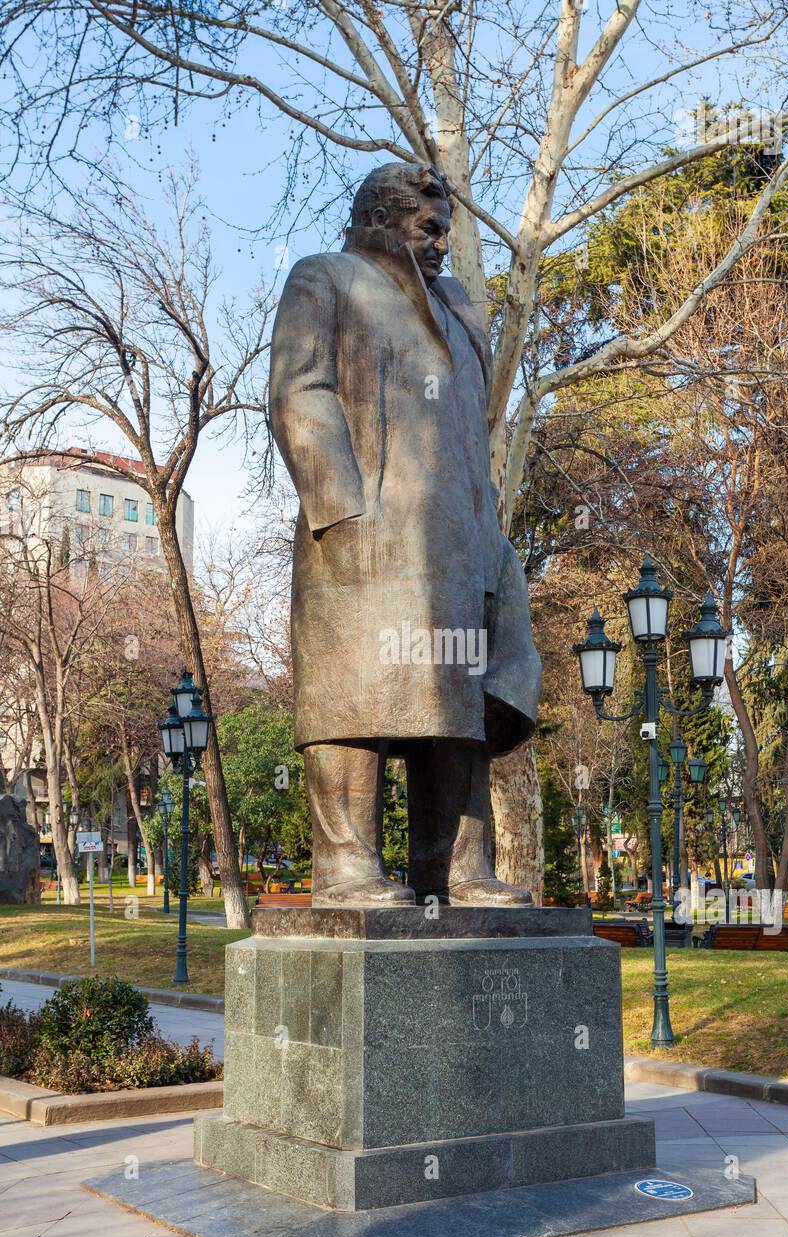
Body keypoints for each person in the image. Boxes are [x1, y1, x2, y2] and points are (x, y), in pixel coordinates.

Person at [269, 162, 540, 907]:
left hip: (459, 535)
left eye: (446, 232)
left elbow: (473, 433)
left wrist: (487, 525)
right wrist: (343, 508)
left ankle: (455, 868)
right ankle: (347, 867)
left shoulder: (458, 308)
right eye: (427, 229)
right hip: (358, 533)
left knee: (457, 701)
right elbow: (300, 389)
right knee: (351, 697)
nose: (440, 245)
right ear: (382, 220)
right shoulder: (326, 276)